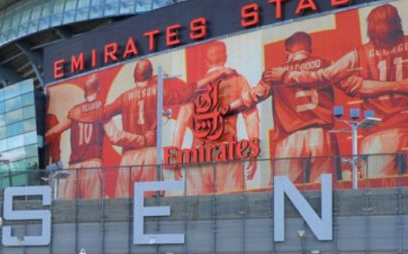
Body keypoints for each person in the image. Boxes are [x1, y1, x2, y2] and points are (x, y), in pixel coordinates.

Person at [277, 3, 408, 179]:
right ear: (397, 22)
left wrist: (288, 76)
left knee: (375, 194)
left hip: (378, 131)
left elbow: (324, 75)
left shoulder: (359, 54)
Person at [105, 58, 214, 198]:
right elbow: (186, 93)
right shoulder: (157, 92)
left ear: (134, 77)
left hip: (128, 157)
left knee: (121, 207)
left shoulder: (124, 97)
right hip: (150, 154)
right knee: (152, 204)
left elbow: (103, 113)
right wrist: (212, 77)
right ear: (151, 75)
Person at [171, 40, 261, 194]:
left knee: (196, 213)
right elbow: (251, 117)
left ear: (206, 62)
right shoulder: (238, 80)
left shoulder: (197, 86)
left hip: (198, 154)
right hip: (229, 152)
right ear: (225, 57)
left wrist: (174, 158)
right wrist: (254, 153)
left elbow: (180, 124)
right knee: (231, 211)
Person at [45, 74, 148, 199]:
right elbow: (115, 137)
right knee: (93, 211)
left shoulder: (75, 111)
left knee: (69, 213)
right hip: (92, 165)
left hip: (73, 167)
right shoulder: (101, 110)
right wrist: (142, 140)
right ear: (98, 89)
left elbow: (54, 131)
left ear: (84, 91)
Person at [257, 31, 338, 185]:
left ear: (287, 53)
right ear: (310, 50)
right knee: (324, 191)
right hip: (321, 136)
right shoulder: (326, 63)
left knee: (284, 194)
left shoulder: (274, 73)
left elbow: (253, 96)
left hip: (290, 138)